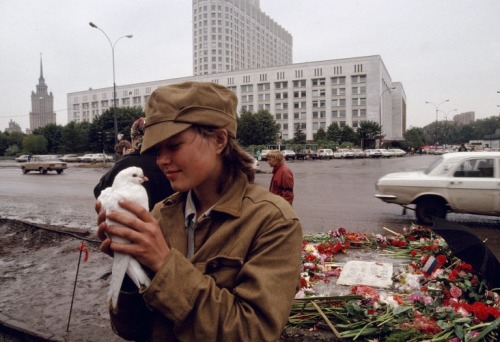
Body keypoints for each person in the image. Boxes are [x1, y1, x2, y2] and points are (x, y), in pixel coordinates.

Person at [95, 81, 303, 341]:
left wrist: (163, 265)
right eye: (158, 150)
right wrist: (127, 265)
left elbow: (253, 333)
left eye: (174, 145)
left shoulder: (272, 221)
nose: (161, 160)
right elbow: (133, 330)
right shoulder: (160, 214)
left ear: (218, 139)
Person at [93, 117, 174, 211]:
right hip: (170, 219)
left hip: (133, 220)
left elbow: (99, 191)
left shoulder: (126, 162)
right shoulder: (170, 159)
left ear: (134, 138)